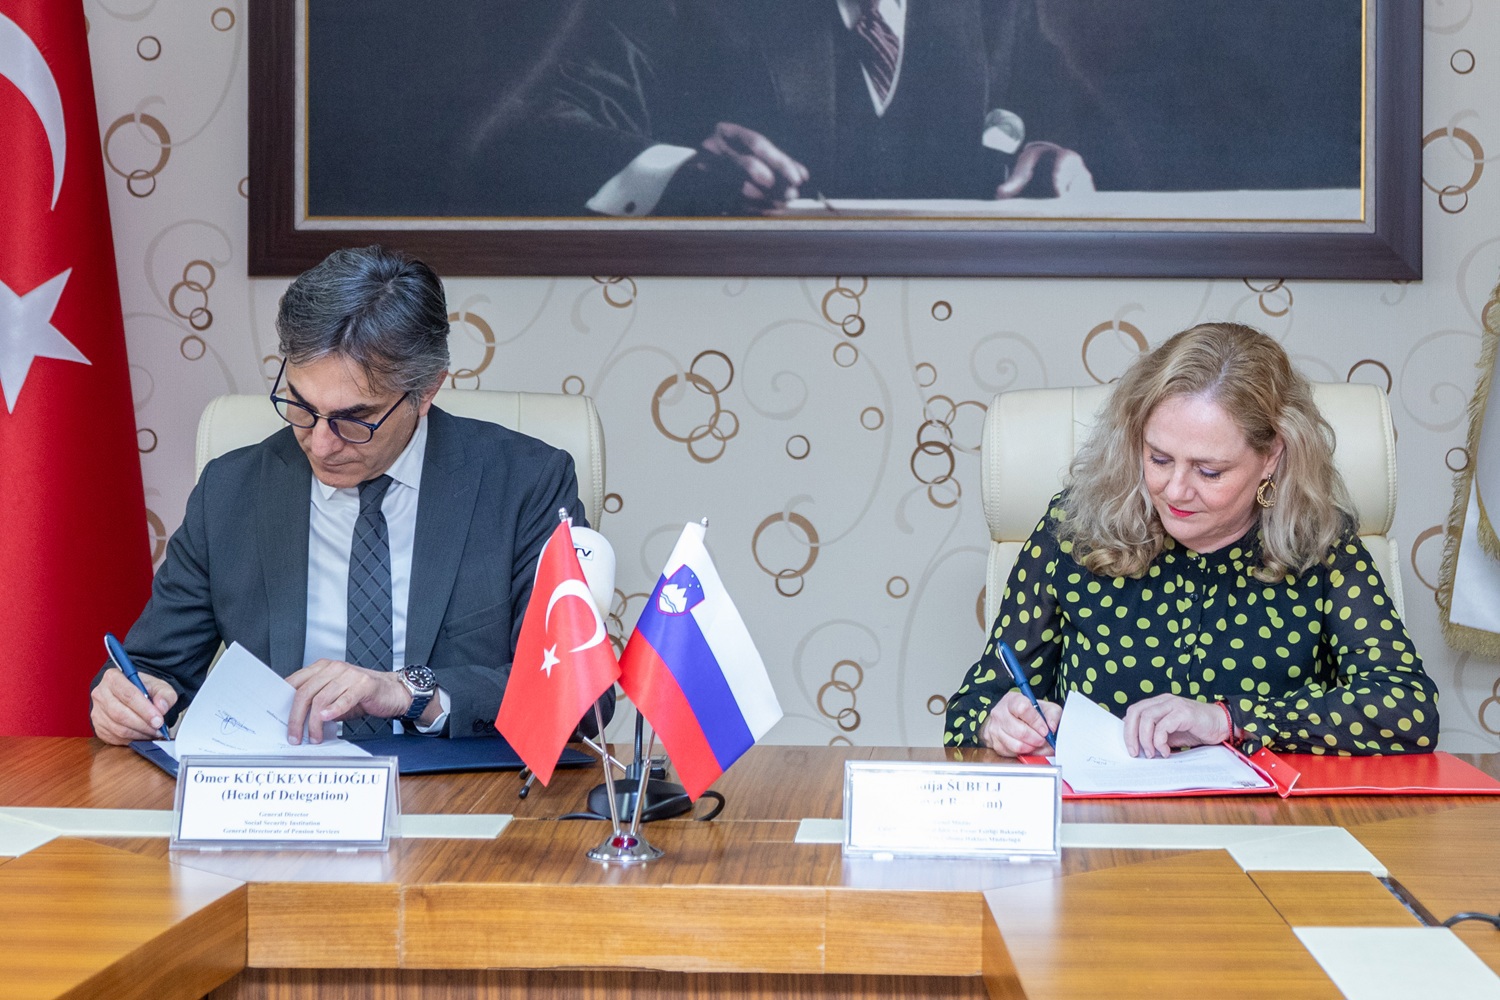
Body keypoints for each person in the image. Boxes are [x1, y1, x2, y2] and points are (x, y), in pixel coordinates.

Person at [90, 245, 611, 744]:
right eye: (301, 406)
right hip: (283, 791)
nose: (320, 444)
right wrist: (128, 700)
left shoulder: (525, 485)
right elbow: (153, 668)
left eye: (355, 419)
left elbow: (581, 697)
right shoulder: (231, 491)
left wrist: (409, 692)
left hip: (459, 788)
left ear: (427, 391)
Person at [946, 322, 1439, 758]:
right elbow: (971, 708)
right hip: (1104, 821)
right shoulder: (1075, 526)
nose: (1175, 490)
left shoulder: (1320, 541)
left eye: (1209, 471)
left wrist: (1229, 720)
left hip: (1268, 825)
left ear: (1272, 456)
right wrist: (997, 724)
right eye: (1159, 459)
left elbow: (1409, 710)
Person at [491, 0, 1126, 217]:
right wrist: (682, 174)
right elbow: (526, 140)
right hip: (728, 347)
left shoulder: (994, 8)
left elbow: (1108, 148)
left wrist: (1053, 159)